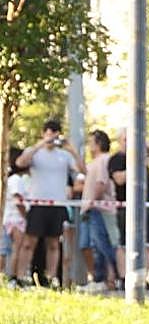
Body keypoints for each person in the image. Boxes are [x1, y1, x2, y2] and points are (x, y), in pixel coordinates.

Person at [12, 118, 82, 288]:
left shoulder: (64, 155)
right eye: (49, 133)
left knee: (53, 243)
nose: (51, 138)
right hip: (37, 204)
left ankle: (51, 278)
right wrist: (41, 144)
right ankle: (20, 277)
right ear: (44, 133)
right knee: (29, 242)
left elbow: (82, 170)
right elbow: (20, 163)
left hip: (57, 204)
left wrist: (72, 150)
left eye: (54, 134)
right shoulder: (35, 152)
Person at [109, 129, 149, 291]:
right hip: (125, 207)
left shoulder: (142, 154)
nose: (128, 143)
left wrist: (139, 139)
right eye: (125, 139)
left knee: (148, 244)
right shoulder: (116, 159)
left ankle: (143, 280)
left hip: (146, 205)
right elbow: (119, 179)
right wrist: (136, 165)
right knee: (124, 245)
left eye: (130, 140)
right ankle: (124, 279)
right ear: (120, 141)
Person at [79, 129, 118, 289]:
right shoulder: (93, 162)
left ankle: (105, 277)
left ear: (99, 143)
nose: (89, 145)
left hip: (99, 208)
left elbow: (101, 183)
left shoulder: (104, 160)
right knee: (87, 244)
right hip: (90, 208)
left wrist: (92, 201)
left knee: (101, 245)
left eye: (91, 142)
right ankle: (97, 277)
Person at [2, 148, 28, 281]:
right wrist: (25, 216)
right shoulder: (16, 179)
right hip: (16, 219)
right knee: (16, 249)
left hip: (9, 217)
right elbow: (18, 199)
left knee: (8, 250)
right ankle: (12, 277)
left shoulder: (10, 179)